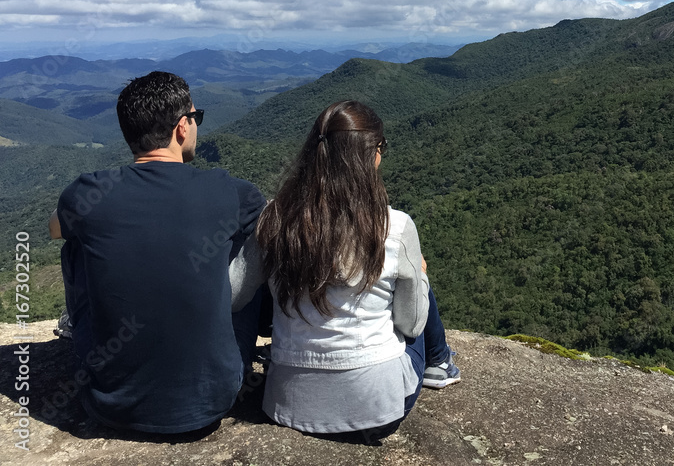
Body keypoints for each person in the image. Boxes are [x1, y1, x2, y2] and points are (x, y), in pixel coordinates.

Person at [51, 71, 266, 433]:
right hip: (214, 401)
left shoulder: (88, 192)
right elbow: (271, 227)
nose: (197, 126)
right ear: (182, 127)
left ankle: (80, 328)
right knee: (249, 243)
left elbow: (55, 228)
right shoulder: (229, 191)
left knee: (74, 246)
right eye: (196, 118)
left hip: (108, 404)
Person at [252, 100, 460, 443]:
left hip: (287, 406)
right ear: (371, 155)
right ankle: (439, 365)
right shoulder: (395, 225)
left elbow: (237, 295)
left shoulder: (275, 219)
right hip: (377, 411)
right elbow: (410, 325)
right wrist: (419, 275)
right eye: (382, 148)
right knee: (416, 275)